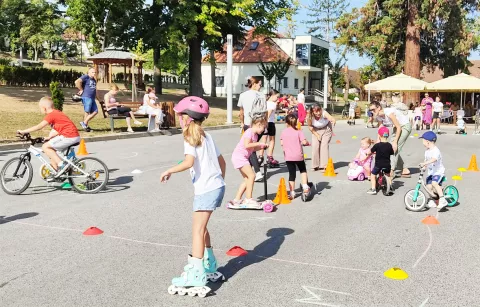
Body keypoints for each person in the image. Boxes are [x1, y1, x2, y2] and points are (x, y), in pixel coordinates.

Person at [160, 96, 226, 294]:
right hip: (215, 186)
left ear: (188, 118)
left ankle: (196, 273)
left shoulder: (190, 136)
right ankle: (209, 263)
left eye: (181, 116)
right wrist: (218, 180)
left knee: (197, 230)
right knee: (202, 228)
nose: (179, 119)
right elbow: (221, 162)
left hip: (207, 189)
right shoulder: (207, 136)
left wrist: (169, 170)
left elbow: (188, 162)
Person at [17, 97, 80, 177]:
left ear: (44, 108)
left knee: (45, 147)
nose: (40, 110)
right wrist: (49, 137)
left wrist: (24, 131)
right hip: (71, 135)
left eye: (40, 108)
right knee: (51, 150)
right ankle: (56, 172)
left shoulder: (51, 115)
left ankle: (62, 165)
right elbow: (59, 128)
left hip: (69, 136)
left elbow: (39, 126)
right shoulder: (57, 113)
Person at [228, 117, 268, 207]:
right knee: (252, 176)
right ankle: (248, 199)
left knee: (247, 179)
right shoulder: (249, 132)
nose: (264, 130)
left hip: (243, 157)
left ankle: (237, 199)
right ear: (258, 125)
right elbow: (247, 145)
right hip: (239, 157)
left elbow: (252, 148)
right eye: (263, 127)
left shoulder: (255, 135)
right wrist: (258, 143)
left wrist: (262, 146)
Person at [369, 101, 412, 178]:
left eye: (373, 109)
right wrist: (378, 141)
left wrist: (395, 141)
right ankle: (402, 169)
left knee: (394, 147)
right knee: (390, 148)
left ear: (379, 107)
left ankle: (390, 171)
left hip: (405, 126)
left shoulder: (389, 112)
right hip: (397, 128)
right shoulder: (378, 115)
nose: (372, 112)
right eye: (370, 110)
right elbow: (380, 128)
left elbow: (399, 127)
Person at [237, 76, 267, 182]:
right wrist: (265, 123)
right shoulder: (262, 95)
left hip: (248, 123)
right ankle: (251, 171)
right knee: (252, 147)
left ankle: (256, 172)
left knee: (250, 147)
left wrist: (242, 122)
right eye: (259, 84)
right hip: (259, 124)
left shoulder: (243, 95)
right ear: (254, 84)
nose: (260, 86)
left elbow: (241, 111)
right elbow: (265, 111)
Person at [281, 114, 310, 200]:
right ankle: (305, 186)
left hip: (288, 157)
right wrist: (307, 143)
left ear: (286, 123)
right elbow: (304, 142)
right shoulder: (299, 131)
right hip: (298, 156)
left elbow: (282, 143)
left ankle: (292, 192)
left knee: (292, 174)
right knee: (303, 170)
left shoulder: (283, 132)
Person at [419, 131, 448, 210]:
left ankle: (442, 199)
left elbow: (434, 159)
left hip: (438, 172)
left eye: (423, 141)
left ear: (428, 142)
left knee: (434, 183)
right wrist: (424, 166)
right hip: (431, 172)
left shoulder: (436, 151)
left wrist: (425, 163)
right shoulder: (427, 151)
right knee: (429, 186)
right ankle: (433, 201)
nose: (422, 143)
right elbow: (426, 161)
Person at [307, 103, 336, 171]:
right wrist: (317, 135)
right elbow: (310, 127)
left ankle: (324, 165)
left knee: (324, 145)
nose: (318, 113)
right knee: (315, 146)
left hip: (326, 128)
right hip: (315, 130)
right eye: (316, 111)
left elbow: (331, 118)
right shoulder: (309, 117)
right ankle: (315, 165)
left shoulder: (324, 113)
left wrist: (333, 121)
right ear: (312, 111)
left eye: (319, 110)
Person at [367, 127, 394, 195]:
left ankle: (373, 189)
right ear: (387, 135)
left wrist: (367, 153)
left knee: (373, 175)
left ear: (379, 135)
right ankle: (390, 186)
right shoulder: (389, 145)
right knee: (388, 174)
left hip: (378, 165)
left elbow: (370, 151)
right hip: (387, 165)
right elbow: (392, 153)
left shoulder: (377, 145)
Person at [75, 68, 100, 132]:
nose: (94, 73)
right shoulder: (86, 76)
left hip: (92, 98)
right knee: (87, 111)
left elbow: (95, 90)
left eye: (95, 72)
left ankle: (84, 122)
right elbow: (77, 81)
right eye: (92, 72)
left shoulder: (94, 80)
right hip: (86, 97)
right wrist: (81, 89)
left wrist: (99, 99)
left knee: (95, 111)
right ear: (88, 72)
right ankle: (85, 126)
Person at [262, 89, 280, 167]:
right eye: (277, 97)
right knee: (272, 140)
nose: (277, 98)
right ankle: (270, 157)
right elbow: (268, 113)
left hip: (264, 123)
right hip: (270, 123)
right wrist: (266, 122)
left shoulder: (265, 103)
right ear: (272, 96)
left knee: (263, 140)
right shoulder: (272, 104)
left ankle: (260, 156)